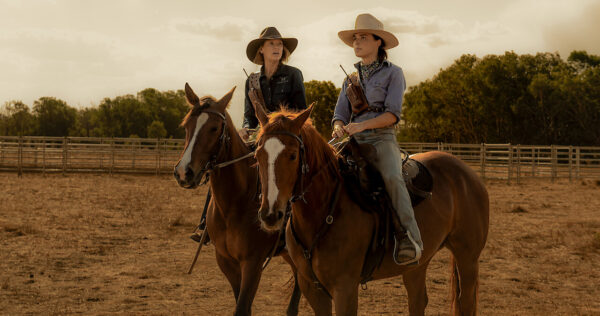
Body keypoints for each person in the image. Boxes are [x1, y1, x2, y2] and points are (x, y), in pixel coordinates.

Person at [331, 13, 423, 265]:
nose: (357, 42)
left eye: (363, 38)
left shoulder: (394, 73)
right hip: (351, 141)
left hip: (381, 139)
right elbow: (339, 114)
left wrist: (361, 127)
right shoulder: (349, 79)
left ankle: (411, 239)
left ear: (378, 42)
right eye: (355, 38)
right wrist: (339, 127)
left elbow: (392, 115)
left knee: (393, 178)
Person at [238, 27, 307, 140]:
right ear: (261, 49)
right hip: (262, 139)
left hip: (290, 138)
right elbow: (249, 116)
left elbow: (301, 112)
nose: (277, 47)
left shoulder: (294, 74)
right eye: (271, 43)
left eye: (279, 44)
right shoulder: (251, 81)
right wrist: (245, 128)